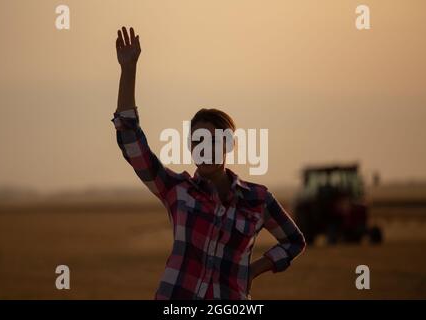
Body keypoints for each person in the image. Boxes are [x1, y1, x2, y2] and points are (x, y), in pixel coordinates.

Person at [112, 26, 306, 300]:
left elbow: (294, 241)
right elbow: (131, 140)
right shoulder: (177, 190)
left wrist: (253, 271)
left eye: (214, 142)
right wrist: (128, 70)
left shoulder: (258, 200)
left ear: (229, 146)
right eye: (198, 142)